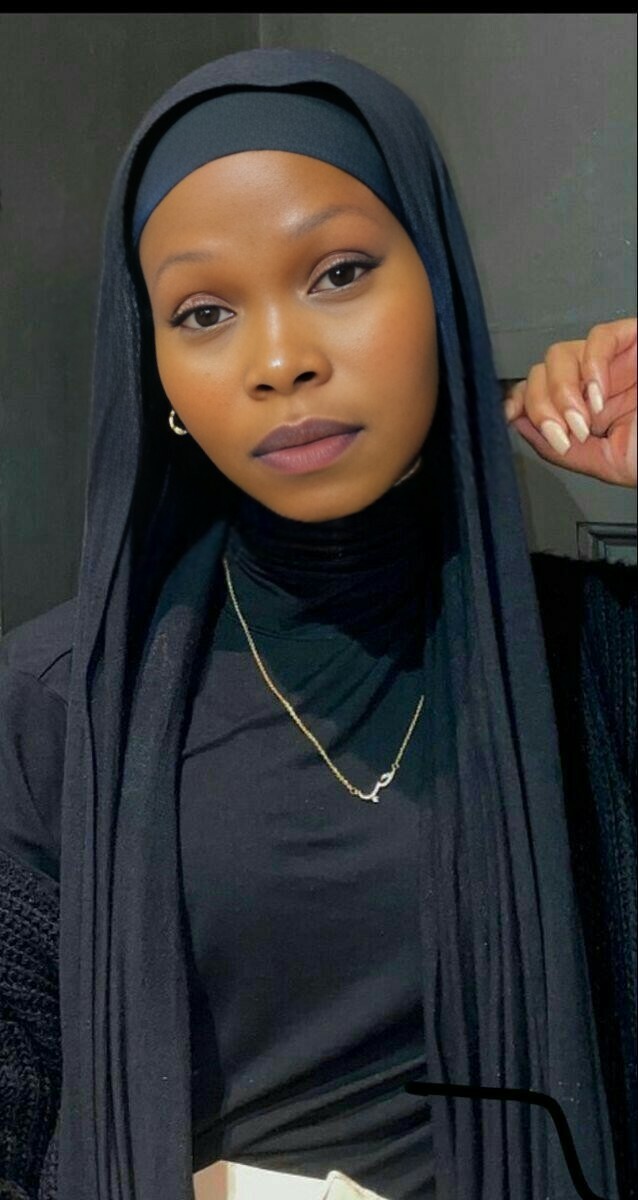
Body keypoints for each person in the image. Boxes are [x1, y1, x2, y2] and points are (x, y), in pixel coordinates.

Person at [0, 46, 635, 1200]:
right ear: (158, 372)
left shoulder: (597, 662)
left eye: (338, 273)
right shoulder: (54, 706)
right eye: (202, 311)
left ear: (438, 290)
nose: (281, 362)